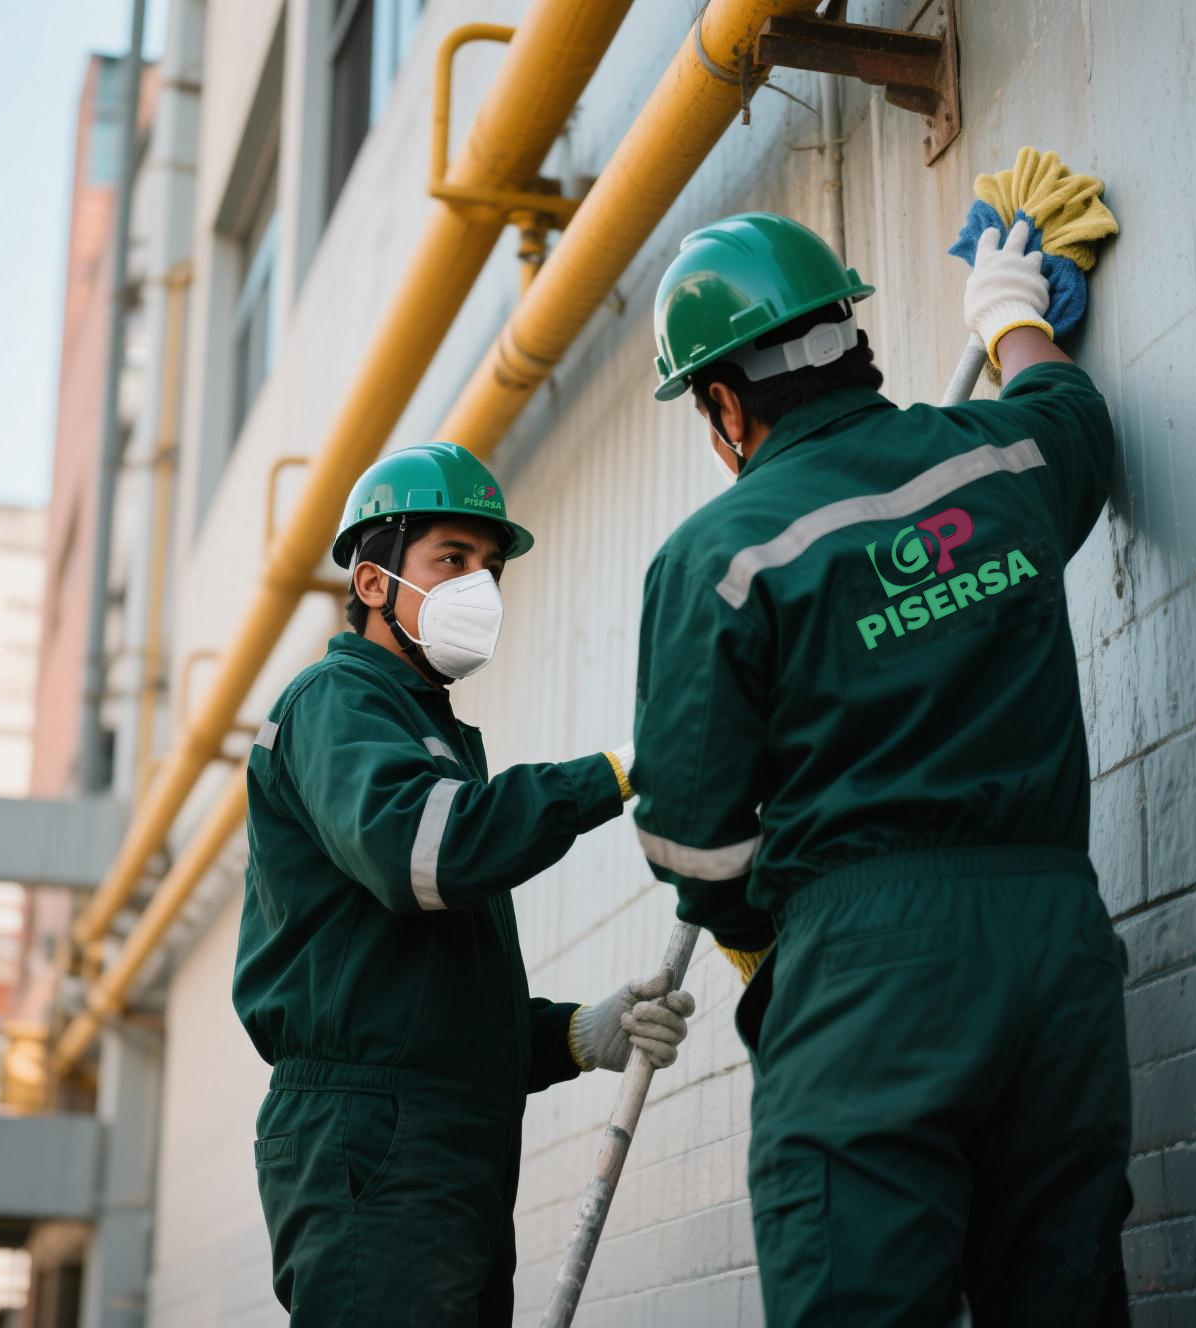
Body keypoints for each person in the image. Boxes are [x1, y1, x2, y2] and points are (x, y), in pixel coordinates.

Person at [632, 212, 1130, 1325]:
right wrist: (1009, 316)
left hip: (866, 969)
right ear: (853, 341)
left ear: (723, 405)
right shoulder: (1001, 458)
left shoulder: (717, 556)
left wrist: (766, 936)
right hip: (1058, 949)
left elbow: (689, 838)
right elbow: (1072, 414)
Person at [234, 441, 695, 1326]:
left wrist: (573, 1036)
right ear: (373, 582)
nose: (478, 585)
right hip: (373, 1140)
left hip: (439, 1143)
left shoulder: (426, 735)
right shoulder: (335, 701)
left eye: (490, 566)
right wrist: (622, 770)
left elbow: (427, 1009)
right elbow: (426, 856)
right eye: (451, 558)